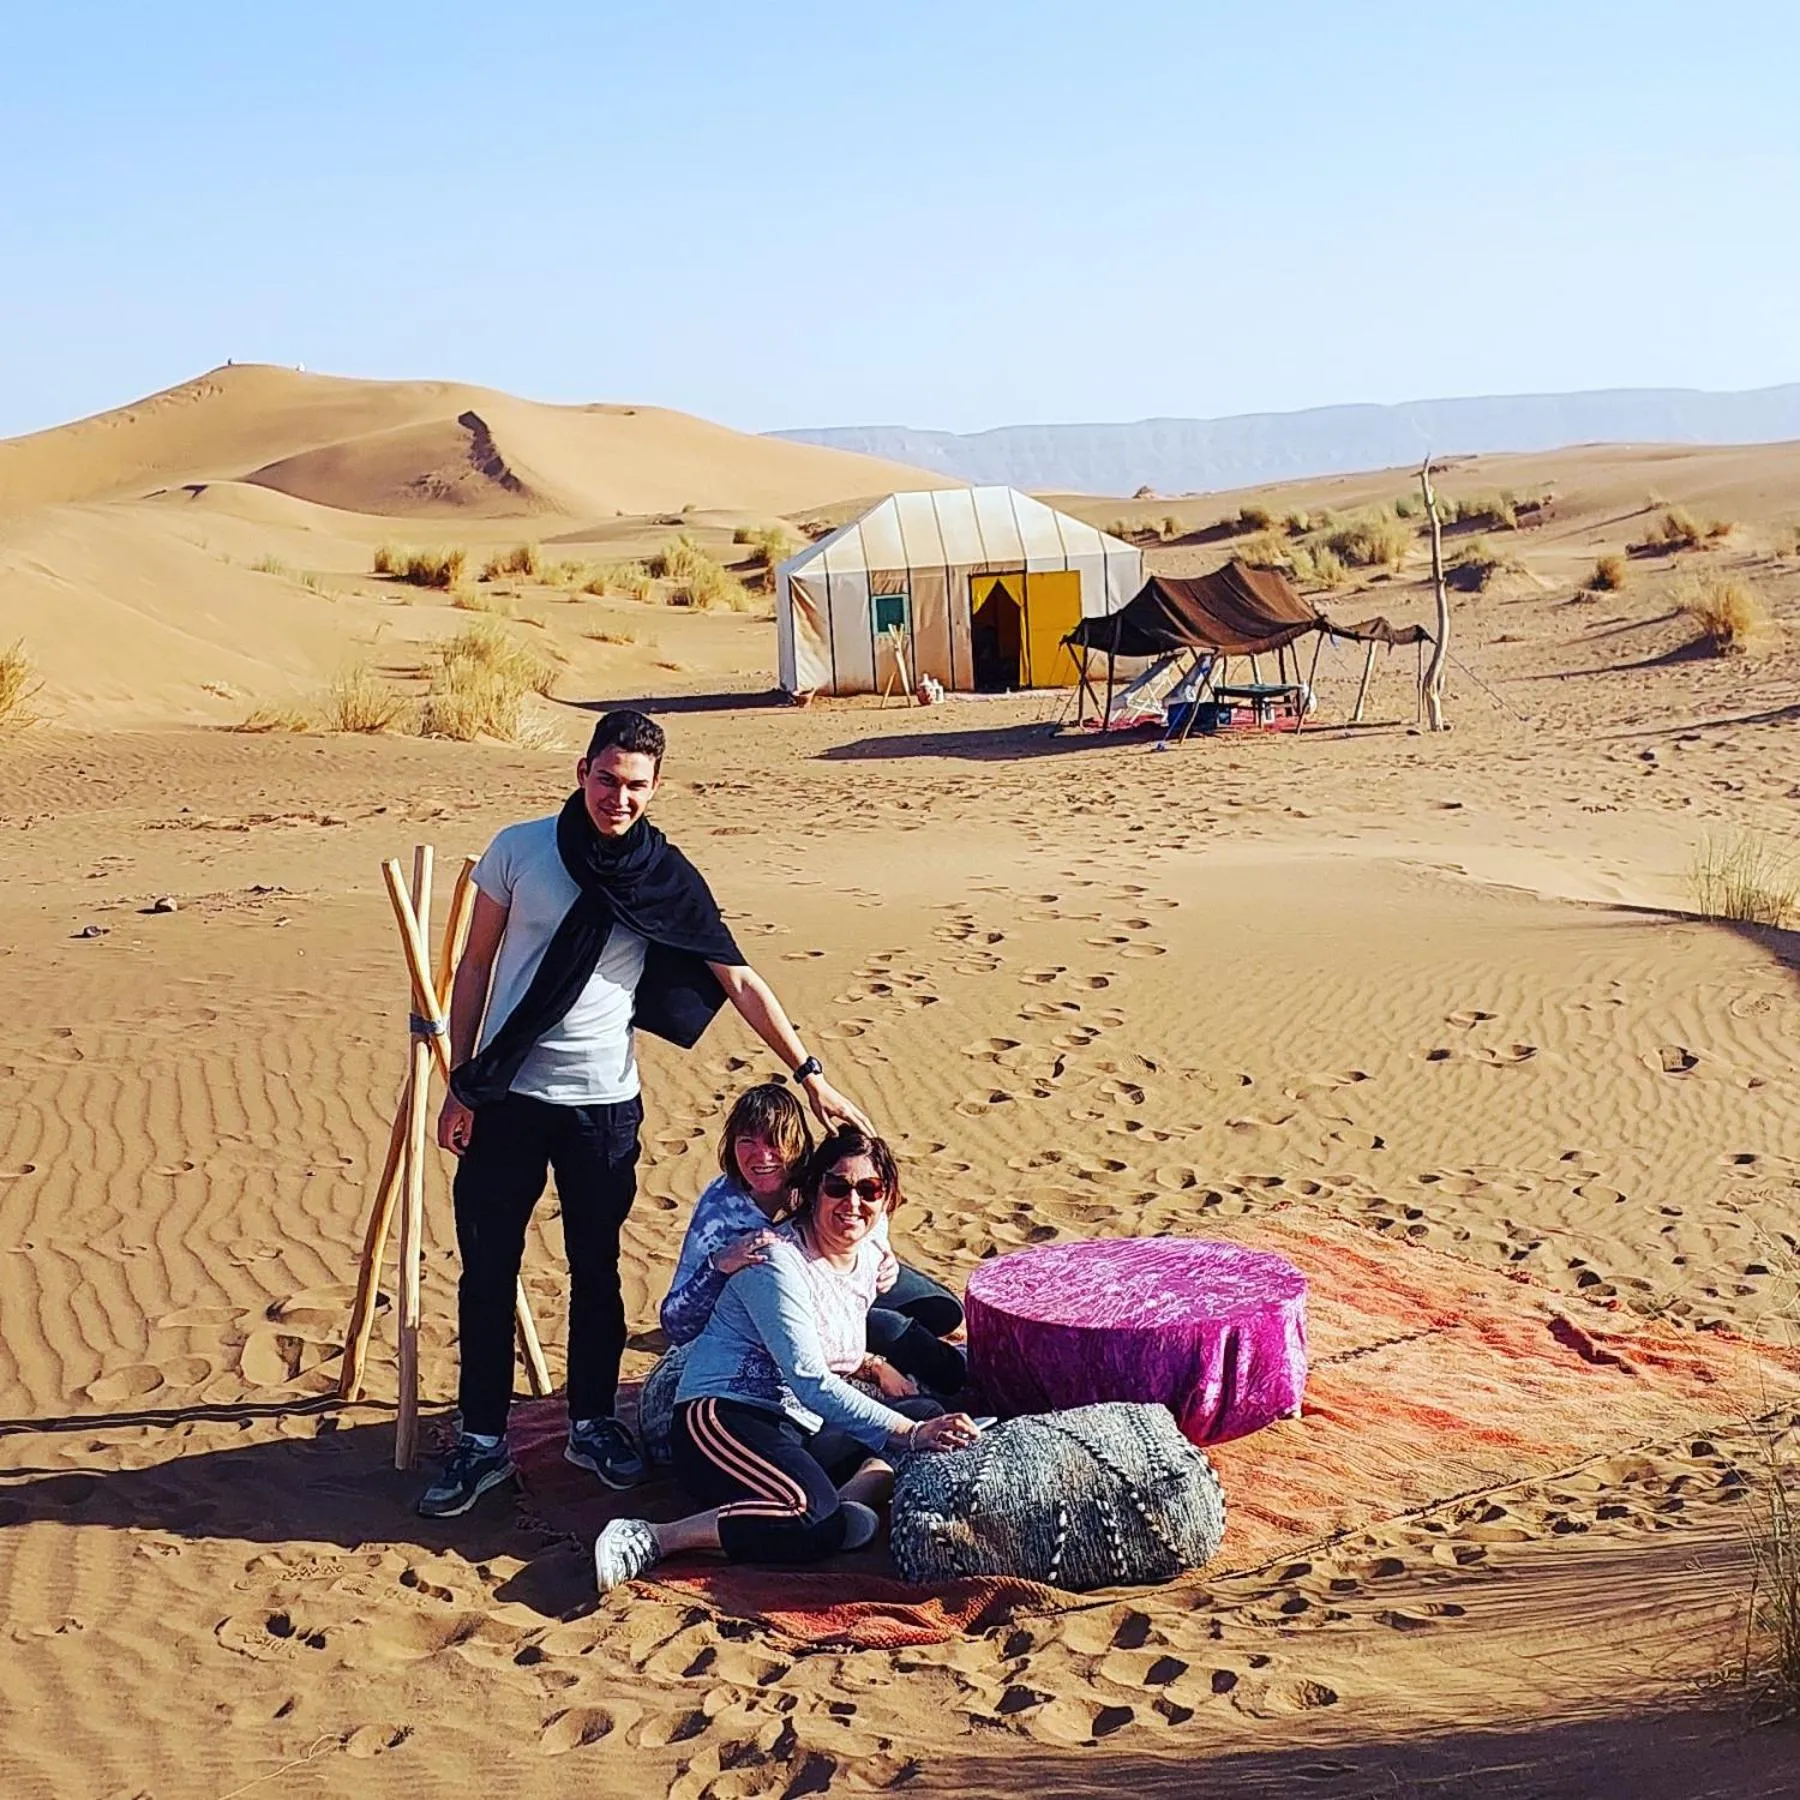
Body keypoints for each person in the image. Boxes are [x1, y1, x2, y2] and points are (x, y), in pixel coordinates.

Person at [418, 709, 872, 1519]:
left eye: (634, 787)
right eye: (605, 779)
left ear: (656, 789)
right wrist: (461, 1081)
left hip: (603, 1108)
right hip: (508, 1100)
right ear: (581, 769)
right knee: (487, 1272)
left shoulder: (664, 876)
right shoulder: (518, 850)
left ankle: (593, 1423)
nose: (616, 799)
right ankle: (481, 1441)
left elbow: (740, 979)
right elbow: (476, 965)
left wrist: (810, 1076)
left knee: (596, 1272)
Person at [594, 1128, 980, 1591]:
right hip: (726, 1414)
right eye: (837, 1187)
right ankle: (654, 1538)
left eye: (869, 1190)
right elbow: (810, 1379)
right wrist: (909, 1433)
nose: (852, 1203)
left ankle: (845, 1503)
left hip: (797, 1425)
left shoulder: (869, 1249)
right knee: (811, 1516)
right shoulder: (775, 1261)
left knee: (924, 1415)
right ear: (813, 1190)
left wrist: (897, 1399)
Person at [661, 1085, 967, 1395]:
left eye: (775, 1142)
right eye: (747, 1142)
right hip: (779, 1314)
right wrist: (718, 1266)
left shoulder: (814, 1175)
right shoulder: (719, 1212)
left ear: (796, 1145)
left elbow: (866, 1192)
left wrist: (879, 1246)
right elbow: (676, 1323)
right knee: (889, 1329)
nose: (762, 1156)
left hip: (843, 1277)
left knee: (944, 1310)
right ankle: (948, 1381)